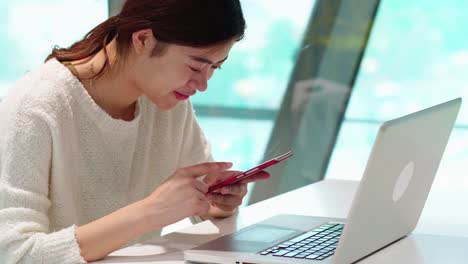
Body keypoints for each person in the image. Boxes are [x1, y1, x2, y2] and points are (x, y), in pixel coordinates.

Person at [0, 0, 270, 263]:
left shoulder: (168, 102)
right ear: (143, 40)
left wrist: (219, 202)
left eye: (215, 67)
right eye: (195, 66)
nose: (202, 85)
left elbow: (203, 206)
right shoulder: (36, 106)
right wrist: (150, 211)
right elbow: (15, 254)